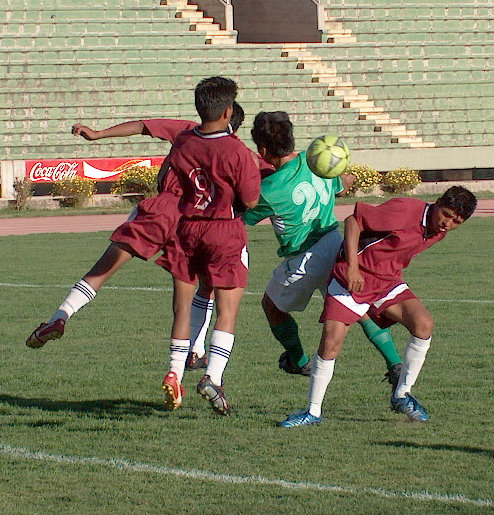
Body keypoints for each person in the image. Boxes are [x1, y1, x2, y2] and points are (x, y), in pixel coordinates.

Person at [25, 102, 247, 392]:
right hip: (197, 223)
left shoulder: (188, 132)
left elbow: (144, 125)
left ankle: (59, 317)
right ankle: (189, 357)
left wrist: (97, 134)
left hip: (163, 208)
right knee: (202, 288)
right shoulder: (237, 150)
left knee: (102, 270)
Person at [279, 186, 477, 427]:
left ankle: (402, 395)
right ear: (436, 203)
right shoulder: (405, 210)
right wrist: (352, 266)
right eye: (446, 214)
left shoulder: (437, 231)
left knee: (423, 324)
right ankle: (312, 412)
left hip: (386, 282)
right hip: (351, 280)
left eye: (457, 221)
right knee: (331, 344)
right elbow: (354, 221)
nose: (448, 223)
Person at [243, 111, 403, 388]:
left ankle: (298, 360)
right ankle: (395, 363)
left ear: (263, 150)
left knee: (271, 306)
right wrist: (345, 179)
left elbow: (243, 216)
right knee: (359, 308)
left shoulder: (268, 189)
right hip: (336, 244)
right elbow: (344, 182)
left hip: (305, 257)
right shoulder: (314, 159)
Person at [156, 76, 260, 415]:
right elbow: (249, 198)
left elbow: (164, 180)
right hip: (223, 230)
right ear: (229, 111)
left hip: (186, 229)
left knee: (183, 306)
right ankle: (213, 375)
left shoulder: (184, 141)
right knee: (227, 310)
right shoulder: (236, 150)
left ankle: (175, 370)